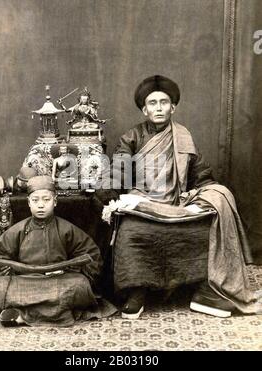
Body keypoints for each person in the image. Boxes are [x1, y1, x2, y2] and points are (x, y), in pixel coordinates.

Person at [112, 75, 262, 319]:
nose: (158, 108)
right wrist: (110, 194)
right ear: (144, 109)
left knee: (207, 227)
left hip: (176, 204)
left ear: (173, 107)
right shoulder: (132, 137)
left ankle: (205, 291)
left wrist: (204, 194)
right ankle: (137, 291)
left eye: (164, 102)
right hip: (142, 204)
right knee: (132, 231)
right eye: (152, 103)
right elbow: (117, 171)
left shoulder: (183, 137)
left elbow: (201, 175)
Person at [0, 175, 116, 327]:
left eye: (46, 199)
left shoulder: (66, 229)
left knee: (80, 285)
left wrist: (77, 268)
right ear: (29, 203)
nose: (41, 205)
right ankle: (58, 313)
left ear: (55, 202)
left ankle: (22, 315)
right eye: (35, 200)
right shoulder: (18, 230)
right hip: (25, 281)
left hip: (59, 281)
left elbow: (92, 255)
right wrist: (6, 270)